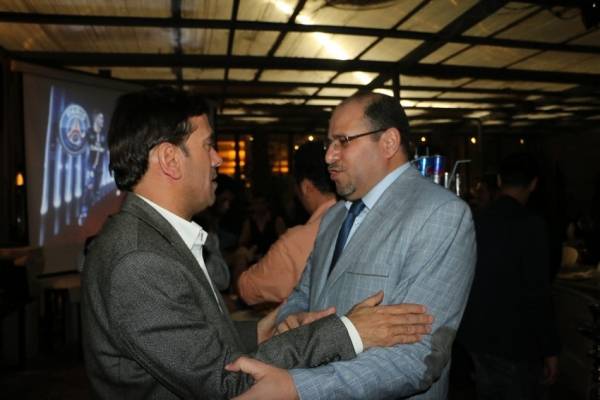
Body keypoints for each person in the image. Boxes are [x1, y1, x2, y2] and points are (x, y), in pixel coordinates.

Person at [80, 86, 434, 400]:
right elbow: (226, 382)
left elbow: (190, 340)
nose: (218, 159)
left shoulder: (150, 239)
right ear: (170, 160)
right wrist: (348, 332)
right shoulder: (140, 260)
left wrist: (263, 331)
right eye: (208, 146)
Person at [228, 91, 477, 399]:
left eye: (343, 141)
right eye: (329, 143)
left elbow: (418, 358)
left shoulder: (439, 214)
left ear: (388, 142)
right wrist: (292, 320)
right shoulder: (335, 216)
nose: (328, 156)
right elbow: (305, 292)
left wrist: (300, 387)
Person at [458, 153, 560, 400]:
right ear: (533, 184)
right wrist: (550, 349)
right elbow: (537, 291)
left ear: (500, 181)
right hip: (516, 342)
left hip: (477, 336)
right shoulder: (531, 225)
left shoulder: (476, 219)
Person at [236, 141, 337, 305]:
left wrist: (240, 258)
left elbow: (248, 290)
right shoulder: (363, 220)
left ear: (305, 187)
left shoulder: (297, 242)